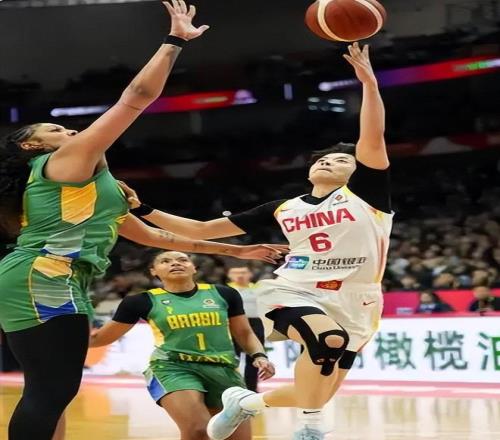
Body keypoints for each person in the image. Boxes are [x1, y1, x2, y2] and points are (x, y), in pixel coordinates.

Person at [0, 3, 286, 440]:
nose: (69, 133)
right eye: (55, 130)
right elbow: (135, 97)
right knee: (51, 390)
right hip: (43, 276)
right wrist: (174, 41)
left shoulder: (99, 189)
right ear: (30, 147)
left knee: (51, 390)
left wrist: (237, 251)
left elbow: (157, 236)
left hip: (50, 277)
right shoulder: (65, 164)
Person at [121, 42, 392, 440]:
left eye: (340, 160)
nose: (327, 161)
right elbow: (200, 230)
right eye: (323, 159)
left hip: (360, 299)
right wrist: (143, 208)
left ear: (357, 172)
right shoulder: (283, 207)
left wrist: (369, 83)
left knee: (317, 390)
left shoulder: (367, 197)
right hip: (296, 289)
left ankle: (247, 403)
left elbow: (373, 136)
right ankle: (311, 427)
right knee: (327, 341)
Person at [89, 251, 275, 440]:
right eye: (165, 261)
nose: (175, 263)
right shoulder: (140, 301)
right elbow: (101, 338)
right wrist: (72, 333)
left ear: (194, 268)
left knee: (236, 437)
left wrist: (259, 355)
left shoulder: (223, 293)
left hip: (223, 369)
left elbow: (244, 333)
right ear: (154, 271)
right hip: (174, 368)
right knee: (198, 430)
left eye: (182, 260)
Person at [227, 265, 265, 392]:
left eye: (243, 272)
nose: (240, 275)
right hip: (231, 323)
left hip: (256, 322)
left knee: (255, 357)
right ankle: (233, 388)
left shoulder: (258, 289)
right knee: (232, 357)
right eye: (236, 273)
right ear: (229, 275)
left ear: (250, 274)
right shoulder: (226, 290)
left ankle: (252, 389)